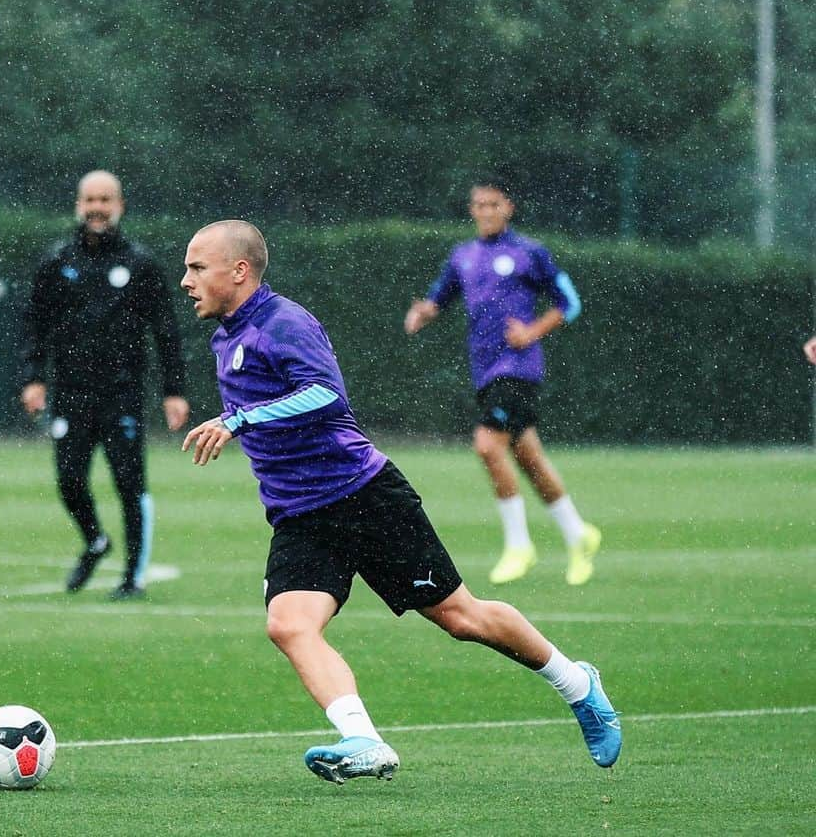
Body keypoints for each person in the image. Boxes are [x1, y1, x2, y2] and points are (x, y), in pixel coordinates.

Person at [180, 220, 621, 784]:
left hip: (365, 498)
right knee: (289, 625)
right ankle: (363, 741)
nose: (187, 280)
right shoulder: (226, 335)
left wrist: (239, 420)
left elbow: (324, 396)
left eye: (197, 267)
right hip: (300, 515)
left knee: (463, 619)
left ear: (238, 271)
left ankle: (578, 684)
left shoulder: (283, 322)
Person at [404, 179, 600, 587]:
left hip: (518, 368)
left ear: (508, 207)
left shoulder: (530, 253)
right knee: (527, 455)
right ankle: (577, 533)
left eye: (494, 204)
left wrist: (532, 331)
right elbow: (439, 299)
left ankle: (518, 545)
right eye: (479, 204)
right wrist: (423, 312)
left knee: (487, 444)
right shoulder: (463, 256)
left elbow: (571, 303)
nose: (486, 211)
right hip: (485, 369)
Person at [20, 170, 189, 599]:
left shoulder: (140, 264)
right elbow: (36, 327)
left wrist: (174, 390)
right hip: (71, 394)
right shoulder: (57, 263)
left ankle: (133, 577)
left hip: (122, 394)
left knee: (130, 486)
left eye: (106, 200)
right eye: (90, 200)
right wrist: (34, 378)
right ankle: (95, 540)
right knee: (69, 481)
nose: (97, 208)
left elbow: (166, 331)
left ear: (120, 206)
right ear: (79, 206)